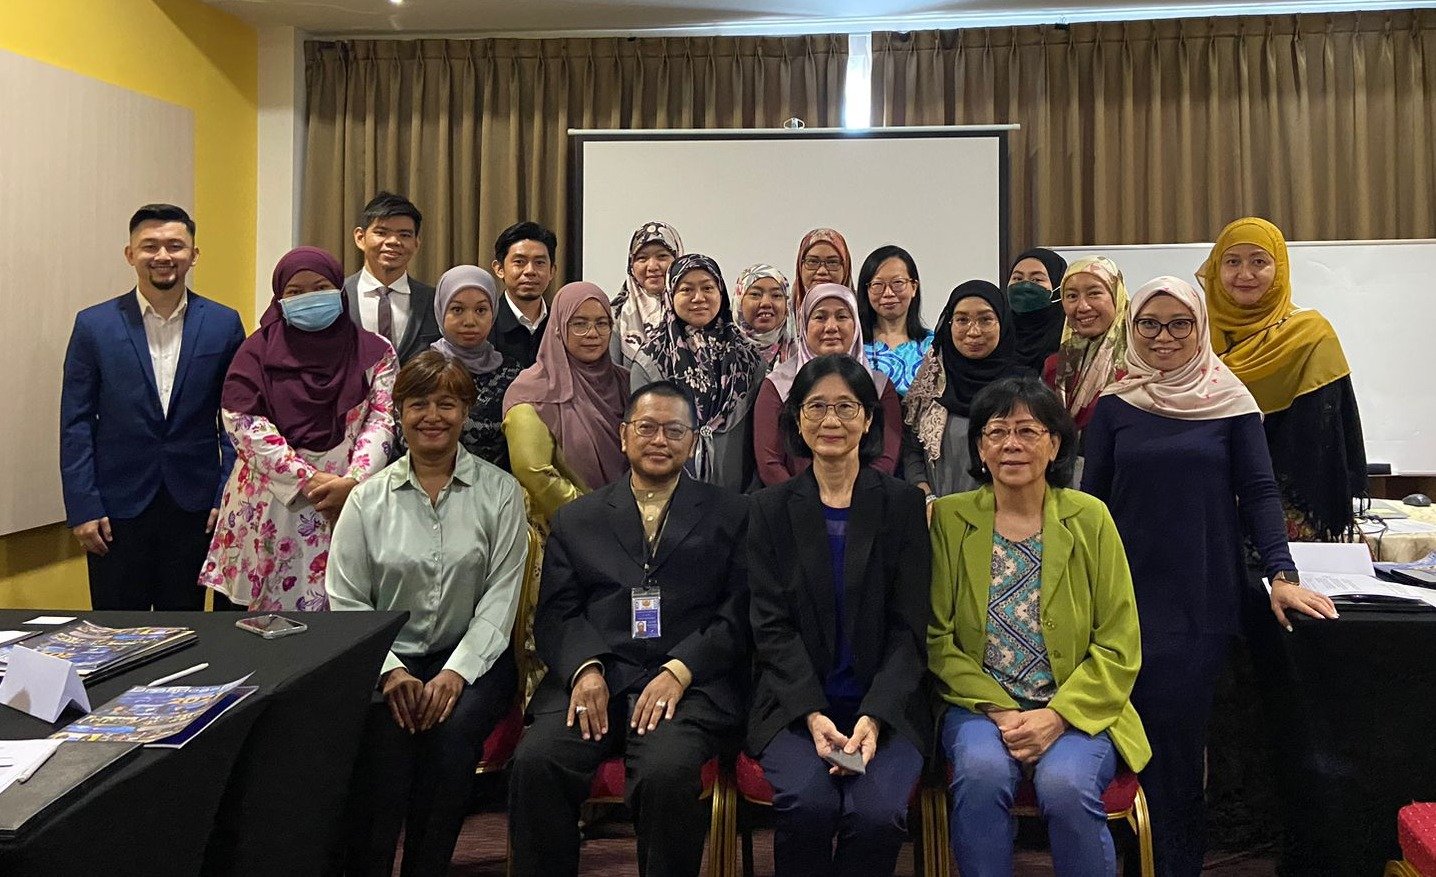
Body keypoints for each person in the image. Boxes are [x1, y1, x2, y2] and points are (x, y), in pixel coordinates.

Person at [1081, 276, 1338, 877]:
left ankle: (1175, 864)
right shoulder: (1116, 405)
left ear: (1200, 328)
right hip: (1120, 599)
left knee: (1175, 746)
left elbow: (1259, 490)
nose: (1164, 337)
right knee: (1121, 743)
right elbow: (1089, 504)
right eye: (1150, 324)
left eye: (1180, 324)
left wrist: (1281, 572)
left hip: (1198, 597)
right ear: (1132, 328)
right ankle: (1128, 861)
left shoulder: (1230, 400)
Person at [507, 381, 750, 877]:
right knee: (537, 762)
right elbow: (556, 613)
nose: (659, 440)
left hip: (687, 685)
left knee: (666, 774)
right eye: (647, 427)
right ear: (623, 436)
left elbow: (740, 612)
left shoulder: (731, 514)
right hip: (597, 679)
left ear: (693, 440)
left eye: (674, 430)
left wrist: (682, 669)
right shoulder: (578, 518)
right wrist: (585, 669)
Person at [929, 376, 1149, 877]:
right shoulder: (949, 518)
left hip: (1077, 705)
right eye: (996, 431)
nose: (1011, 444)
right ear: (979, 447)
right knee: (981, 773)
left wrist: (1057, 715)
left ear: (1055, 444)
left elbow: (1119, 641)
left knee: (1066, 785)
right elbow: (937, 640)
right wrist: (1001, 712)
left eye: (1028, 431)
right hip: (981, 707)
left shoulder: (1090, 517)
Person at [327, 351, 527, 877]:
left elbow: (500, 599)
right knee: (385, 748)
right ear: (398, 412)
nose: (432, 416)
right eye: (419, 404)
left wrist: (456, 673)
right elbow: (347, 599)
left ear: (466, 412)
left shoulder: (501, 493)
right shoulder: (367, 500)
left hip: (474, 659)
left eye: (447, 403)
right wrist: (391, 670)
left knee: (451, 738)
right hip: (385, 656)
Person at [747, 354, 930, 877]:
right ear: (797, 420)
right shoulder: (767, 509)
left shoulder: (901, 506)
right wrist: (810, 710)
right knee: (809, 805)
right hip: (793, 703)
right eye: (817, 407)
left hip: (886, 707)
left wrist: (874, 714)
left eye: (846, 407)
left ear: (869, 419)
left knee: (876, 815)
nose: (831, 421)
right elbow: (770, 627)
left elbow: (909, 628)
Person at [59, 204, 245, 610]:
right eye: (150, 246)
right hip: (114, 511)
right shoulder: (94, 325)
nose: (163, 256)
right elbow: (75, 423)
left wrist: (224, 496)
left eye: (176, 246)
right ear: (130, 254)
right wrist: (83, 506)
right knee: (117, 632)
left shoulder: (223, 323)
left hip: (196, 507)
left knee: (186, 627)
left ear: (194, 254)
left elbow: (235, 422)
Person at [200, 246, 396, 611]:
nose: (309, 298)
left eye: (320, 287)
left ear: (339, 289)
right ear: (279, 298)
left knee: (339, 623)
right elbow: (242, 423)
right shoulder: (254, 352)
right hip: (268, 507)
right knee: (250, 636)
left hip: (347, 503)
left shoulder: (375, 351)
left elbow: (382, 418)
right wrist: (307, 479)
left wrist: (353, 482)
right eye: (295, 292)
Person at [1199, 216, 1367, 542]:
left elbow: (1324, 440)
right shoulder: (1192, 335)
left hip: (1291, 516)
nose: (1244, 274)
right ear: (1216, 268)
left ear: (1280, 269)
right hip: (1207, 507)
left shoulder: (1310, 335)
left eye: (1259, 261)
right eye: (1232, 261)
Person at [629, 254, 765, 491]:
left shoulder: (750, 359)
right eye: (686, 289)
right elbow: (644, 438)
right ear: (671, 295)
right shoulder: (651, 360)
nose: (698, 298)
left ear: (721, 294)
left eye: (708, 288)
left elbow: (758, 438)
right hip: (669, 497)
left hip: (738, 497)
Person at [502, 281, 629, 529]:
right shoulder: (530, 390)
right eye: (579, 324)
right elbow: (535, 472)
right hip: (567, 530)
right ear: (559, 327)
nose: (592, 333)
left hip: (632, 525)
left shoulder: (625, 383)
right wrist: (596, 520)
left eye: (601, 323)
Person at [754, 284, 903, 486]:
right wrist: (803, 502)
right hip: (792, 505)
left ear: (856, 325)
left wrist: (856, 497)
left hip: (868, 501)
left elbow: (886, 456)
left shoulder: (879, 385)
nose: (831, 327)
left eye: (842, 317)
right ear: (804, 325)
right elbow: (770, 462)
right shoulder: (778, 384)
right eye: (820, 317)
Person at [903, 280, 1029, 502]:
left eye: (985, 319)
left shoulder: (1026, 387)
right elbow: (912, 450)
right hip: (937, 515)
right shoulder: (932, 382)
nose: (973, 331)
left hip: (1005, 516)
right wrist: (925, 495)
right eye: (962, 320)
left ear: (1003, 322)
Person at [429, 265, 524, 471]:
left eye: (481, 310)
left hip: (497, 491)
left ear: (493, 313)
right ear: (441, 311)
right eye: (457, 310)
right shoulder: (424, 371)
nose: (470, 321)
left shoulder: (513, 374)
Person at [343, 192, 441, 364]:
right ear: (360, 238)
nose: (393, 241)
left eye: (405, 235)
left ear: (417, 243)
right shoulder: (337, 297)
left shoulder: (434, 301)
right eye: (381, 233)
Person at [1042, 255, 1130, 432]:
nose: (1082, 306)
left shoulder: (1137, 365)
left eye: (1094, 293)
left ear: (1117, 296)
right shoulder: (1054, 367)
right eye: (1072, 296)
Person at [857, 245, 933, 396]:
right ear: (866, 291)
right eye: (878, 285)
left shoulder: (933, 345)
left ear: (914, 287)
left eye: (897, 283)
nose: (888, 293)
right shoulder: (855, 345)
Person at [611, 220, 683, 370]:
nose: (652, 267)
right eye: (642, 258)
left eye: (662, 256)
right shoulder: (615, 316)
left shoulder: (692, 309)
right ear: (631, 265)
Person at [490, 221, 558, 367]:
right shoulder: (485, 325)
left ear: (552, 271)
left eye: (539, 263)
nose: (530, 271)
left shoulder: (561, 325)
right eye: (519, 262)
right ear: (499, 269)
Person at [1006, 248, 1069, 373]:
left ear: (1059, 287)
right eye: (1017, 278)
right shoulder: (998, 332)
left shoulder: (1070, 335)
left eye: (1036, 280)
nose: (1025, 285)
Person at [733, 263, 797, 370]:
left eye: (776, 295)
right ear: (739, 302)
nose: (766, 303)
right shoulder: (721, 353)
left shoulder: (801, 357)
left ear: (787, 304)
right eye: (755, 294)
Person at [793, 228, 852, 311]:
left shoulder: (863, 313)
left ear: (845, 267)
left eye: (832, 262)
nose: (822, 271)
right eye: (813, 261)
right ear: (800, 265)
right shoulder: (782, 314)